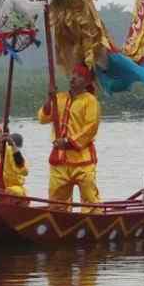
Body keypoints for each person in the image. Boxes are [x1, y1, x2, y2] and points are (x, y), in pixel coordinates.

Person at [38, 62, 102, 204]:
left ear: (86, 82)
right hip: (59, 159)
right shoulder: (59, 97)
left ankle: (93, 220)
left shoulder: (91, 101)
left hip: (82, 159)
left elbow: (91, 127)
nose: (73, 78)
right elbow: (43, 118)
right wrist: (49, 98)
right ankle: (58, 222)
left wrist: (68, 142)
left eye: (79, 76)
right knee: (56, 202)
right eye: (73, 74)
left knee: (90, 199)